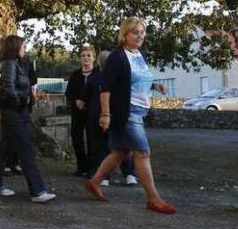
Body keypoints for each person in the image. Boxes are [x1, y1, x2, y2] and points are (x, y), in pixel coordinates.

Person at [85, 17, 175, 214]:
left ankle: (95, 182)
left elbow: (133, 79)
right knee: (142, 152)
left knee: (121, 152)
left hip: (138, 109)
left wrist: (154, 85)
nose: (140, 35)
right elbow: (106, 87)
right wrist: (106, 114)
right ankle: (153, 198)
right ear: (124, 34)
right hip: (126, 112)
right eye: (135, 32)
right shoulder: (117, 56)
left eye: (142, 32)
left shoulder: (139, 54)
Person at [0, 35, 56, 203]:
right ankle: (37, 190)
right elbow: (8, 88)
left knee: (5, 148)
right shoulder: (10, 64)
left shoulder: (13, 64)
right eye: (23, 46)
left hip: (15, 111)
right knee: (25, 149)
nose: (25, 49)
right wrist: (21, 101)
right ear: (15, 47)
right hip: (14, 112)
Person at [81, 44, 136, 187]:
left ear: (98, 62)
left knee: (100, 146)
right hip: (117, 113)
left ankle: (104, 177)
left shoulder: (94, 78)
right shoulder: (121, 79)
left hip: (96, 115)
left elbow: (84, 99)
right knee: (122, 145)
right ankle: (130, 174)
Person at [64, 47, 91, 177]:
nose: (86, 58)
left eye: (88, 55)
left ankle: (93, 168)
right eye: (83, 55)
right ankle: (82, 167)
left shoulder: (98, 74)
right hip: (77, 112)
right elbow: (68, 93)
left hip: (92, 112)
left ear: (93, 58)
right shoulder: (75, 75)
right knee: (77, 139)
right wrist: (76, 101)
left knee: (93, 140)